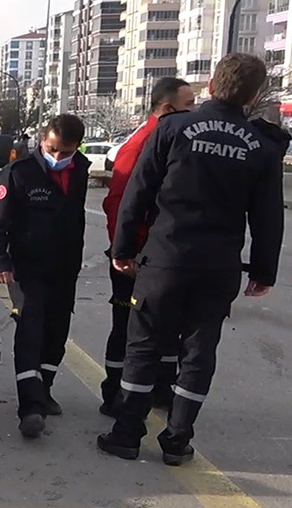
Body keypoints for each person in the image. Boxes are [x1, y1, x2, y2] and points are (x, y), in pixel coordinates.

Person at [99, 53, 285, 465]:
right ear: (253, 95)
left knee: (143, 345)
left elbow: (138, 193)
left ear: (212, 86)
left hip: (165, 258)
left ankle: (127, 433)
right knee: (199, 352)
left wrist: (123, 249)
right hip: (218, 265)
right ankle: (177, 438)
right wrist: (263, 270)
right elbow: (268, 216)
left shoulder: (173, 128)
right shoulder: (261, 146)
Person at [0, 114, 89, 439]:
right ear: (43, 140)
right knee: (31, 331)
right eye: (53, 149)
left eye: (66, 152)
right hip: (26, 269)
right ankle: (30, 409)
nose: (58, 157)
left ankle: (44, 389)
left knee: (56, 334)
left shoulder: (82, 171)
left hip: (64, 269)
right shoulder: (19, 173)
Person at [98, 76, 195, 415]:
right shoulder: (141, 144)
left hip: (159, 257)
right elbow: (119, 204)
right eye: (189, 105)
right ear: (168, 109)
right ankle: (114, 394)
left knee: (165, 327)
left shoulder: (170, 139)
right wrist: (127, 252)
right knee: (126, 327)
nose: (194, 112)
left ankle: (157, 388)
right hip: (135, 257)